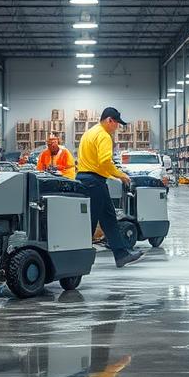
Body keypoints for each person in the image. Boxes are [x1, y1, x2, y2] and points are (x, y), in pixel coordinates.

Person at [76, 107, 144, 268]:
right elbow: (105, 162)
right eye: (117, 124)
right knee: (90, 223)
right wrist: (121, 175)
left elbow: (97, 163)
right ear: (109, 120)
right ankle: (77, 261)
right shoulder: (104, 136)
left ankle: (121, 255)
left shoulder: (89, 133)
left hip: (87, 179)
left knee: (108, 219)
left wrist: (111, 175)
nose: (117, 128)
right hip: (94, 182)